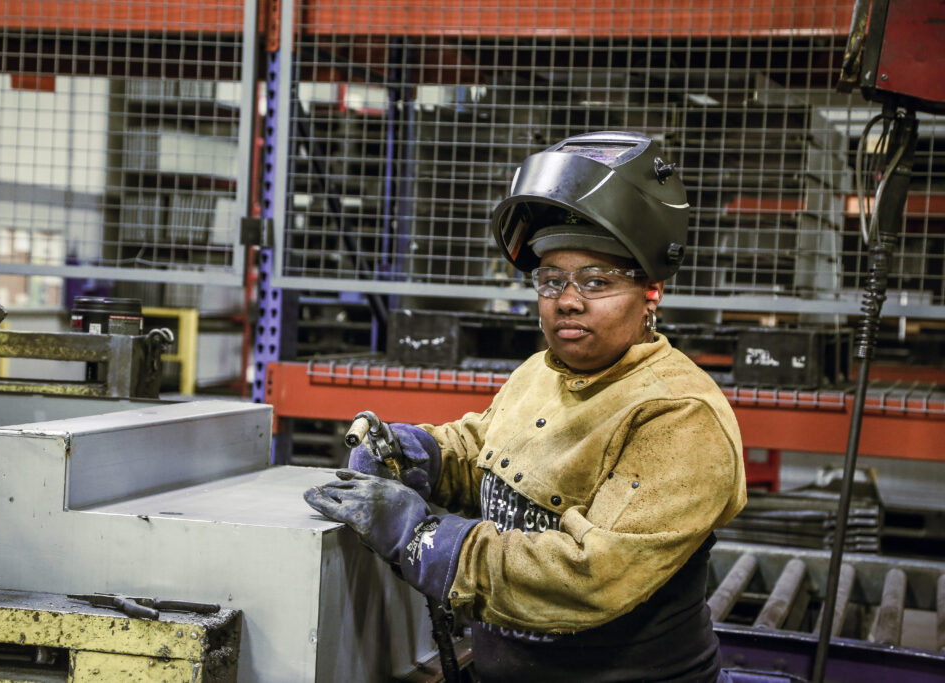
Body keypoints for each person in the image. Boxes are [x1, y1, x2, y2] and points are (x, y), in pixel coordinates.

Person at [304, 131, 748, 682]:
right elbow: (492, 454)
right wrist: (423, 453)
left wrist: (422, 538)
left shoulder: (680, 416)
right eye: (551, 279)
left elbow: (589, 578)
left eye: (597, 281)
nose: (568, 299)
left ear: (650, 292)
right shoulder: (539, 372)